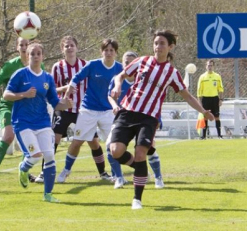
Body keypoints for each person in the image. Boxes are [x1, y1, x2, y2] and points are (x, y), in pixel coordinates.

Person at [110, 30, 215, 210]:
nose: (158, 46)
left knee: (141, 153)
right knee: (115, 151)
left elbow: (187, 96)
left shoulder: (171, 73)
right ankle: (140, 169)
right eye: (156, 43)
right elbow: (121, 75)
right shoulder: (141, 61)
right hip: (127, 112)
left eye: (162, 43)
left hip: (149, 118)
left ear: (170, 47)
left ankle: (137, 199)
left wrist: (204, 111)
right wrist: (118, 85)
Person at [3, 41, 73, 203]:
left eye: (38, 54)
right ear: (27, 56)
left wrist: (65, 104)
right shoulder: (20, 74)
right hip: (23, 122)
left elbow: (55, 103)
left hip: (42, 123)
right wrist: (23, 95)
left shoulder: (47, 78)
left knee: (49, 156)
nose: (35, 56)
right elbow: (6, 95)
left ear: (43, 56)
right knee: (35, 156)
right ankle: (23, 168)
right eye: (32, 54)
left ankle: (48, 195)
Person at [34, 36, 108, 183]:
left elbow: (92, 85)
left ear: (77, 47)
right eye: (66, 46)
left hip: (83, 110)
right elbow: (53, 89)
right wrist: (66, 89)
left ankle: (103, 173)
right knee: (53, 140)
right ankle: (44, 172)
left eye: (72, 45)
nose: (69, 48)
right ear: (62, 50)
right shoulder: (58, 67)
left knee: (93, 142)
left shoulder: (85, 65)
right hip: (64, 109)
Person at [57, 39, 123, 183]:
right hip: (88, 110)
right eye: (106, 50)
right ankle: (65, 171)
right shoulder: (93, 65)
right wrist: (69, 89)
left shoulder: (119, 68)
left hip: (108, 112)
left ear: (116, 53)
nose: (109, 53)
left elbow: (127, 86)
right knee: (76, 142)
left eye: (112, 50)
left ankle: (117, 176)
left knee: (114, 144)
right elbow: (77, 77)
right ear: (102, 51)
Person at [0, 37, 41, 185]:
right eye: (21, 45)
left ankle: (24, 171)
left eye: (26, 44)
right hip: (8, 106)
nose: (24, 47)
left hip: (26, 109)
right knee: (8, 137)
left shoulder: (37, 66)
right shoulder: (10, 66)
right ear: (17, 48)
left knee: (28, 141)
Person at [107, 51, 164, 190]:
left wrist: (158, 119)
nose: (128, 64)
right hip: (124, 118)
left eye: (131, 61)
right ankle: (119, 178)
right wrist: (115, 106)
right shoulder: (117, 79)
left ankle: (158, 177)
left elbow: (155, 99)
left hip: (146, 118)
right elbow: (110, 96)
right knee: (111, 147)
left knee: (149, 147)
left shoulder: (146, 79)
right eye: (126, 62)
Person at [197, 59, 224, 139]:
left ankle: (219, 135)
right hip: (205, 99)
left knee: (217, 117)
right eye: (208, 65)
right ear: (206, 66)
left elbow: (220, 89)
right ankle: (204, 136)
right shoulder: (202, 77)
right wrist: (199, 102)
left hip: (215, 99)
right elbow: (199, 90)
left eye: (211, 65)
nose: (210, 67)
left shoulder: (217, 76)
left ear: (213, 66)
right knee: (205, 117)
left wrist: (221, 99)